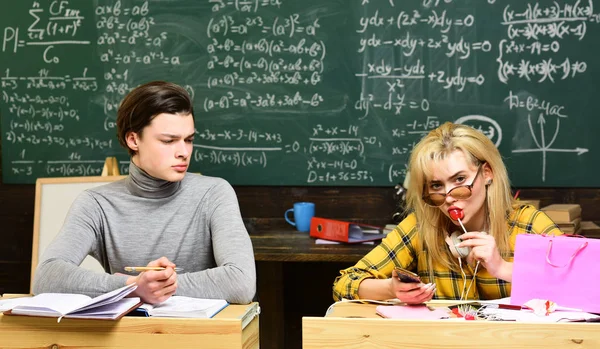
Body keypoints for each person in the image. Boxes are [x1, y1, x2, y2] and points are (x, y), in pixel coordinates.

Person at [33, 81, 256, 304]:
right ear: (134, 139)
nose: (184, 152)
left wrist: (157, 287)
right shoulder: (96, 204)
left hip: (200, 335)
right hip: (126, 336)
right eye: (168, 141)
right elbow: (46, 277)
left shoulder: (214, 194)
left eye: (188, 140)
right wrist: (131, 286)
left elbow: (241, 282)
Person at [333, 122, 561, 303]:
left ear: (487, 173)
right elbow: (344, 284)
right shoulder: (421, 227)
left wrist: (503, 268)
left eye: (459, 179)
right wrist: (391, 289)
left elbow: (590, 287)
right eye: (436, 186)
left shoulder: (528, 225)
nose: (448, 196)